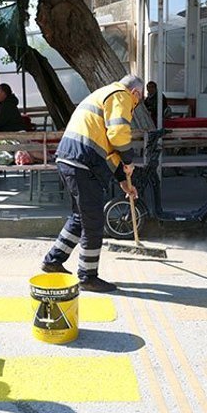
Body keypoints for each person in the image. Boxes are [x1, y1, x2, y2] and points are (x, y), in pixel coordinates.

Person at [40, 74, 142, 293]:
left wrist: (124, 181)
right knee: (93, 220)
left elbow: (108, 148)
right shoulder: (121, 96)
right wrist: (129, 160)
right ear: (135, 93)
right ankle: (87, 276)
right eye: (138, 101)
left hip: (71, 159)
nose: (135, 106)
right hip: (82, 162)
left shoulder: (102, 94)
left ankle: (53, 260)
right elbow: (118, 134)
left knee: (81, 217)